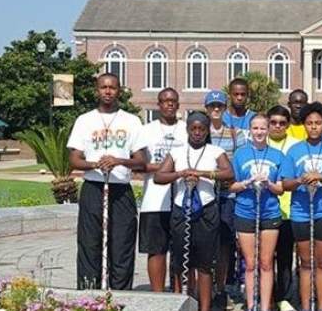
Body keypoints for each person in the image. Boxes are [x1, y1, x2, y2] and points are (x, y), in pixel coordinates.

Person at [67, 73, 147, 290]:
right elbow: (74, 158)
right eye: (104, 87)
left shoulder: (131, 121)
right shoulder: (84, 120)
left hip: (120, 190)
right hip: (93, 187)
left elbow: (141, 159)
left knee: (122, 245)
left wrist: (118, 161)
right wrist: (96, 164)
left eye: (112, 87)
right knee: (89, 244)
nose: (108, 91)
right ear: (97, 90)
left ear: (119, 91)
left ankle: (120, 295)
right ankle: (88, 295)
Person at [154, 111, 233, 311]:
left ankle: (204, 307)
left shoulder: (215, 151)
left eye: (202, 129)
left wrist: (203, 174)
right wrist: (180, 174)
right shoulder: (177, 152)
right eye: (193, 129)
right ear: (187, 129)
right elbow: (159, 176)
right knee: (182, 263)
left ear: (207, 131)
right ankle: (186, 304)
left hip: (207, 211)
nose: (197, 133)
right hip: (182, 211)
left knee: (205, 265)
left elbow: (229, 173)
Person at [280, 102, 322, 311]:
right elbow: (285, 183)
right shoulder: (295, 150)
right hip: (300, 211)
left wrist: (321, 177)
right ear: (304, 125)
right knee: (305, 261)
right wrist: (301, 180)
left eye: (318, 123)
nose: (314, 127)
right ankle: (306, 306)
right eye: (310, 123)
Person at [230, 114, 287, 311]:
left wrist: (268, 184)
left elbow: (281, 188)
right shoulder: (240, 154)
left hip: (269, 212)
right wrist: (247, 183)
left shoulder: (277, 156)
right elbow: (231, 186)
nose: (259, 132)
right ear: (249, 130)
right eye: (255, 128)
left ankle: (265, 306)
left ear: (268, 130)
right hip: (245, 211)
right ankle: (251, 303)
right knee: (251, 263)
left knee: (266, 262)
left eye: (263, 128)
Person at [138, 88, 188, 292]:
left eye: (173, 101)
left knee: (180, 250)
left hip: (182, 199)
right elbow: (139, 164)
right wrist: (166, 169)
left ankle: (178, 294)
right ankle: (158, 296)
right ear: (158, 105)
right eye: (165, 101)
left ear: (178, 105)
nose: (169, 104)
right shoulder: (147, 130)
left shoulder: (187, 129)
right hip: (154, 199)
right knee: (156, 250)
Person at [205, 89, 247, 303]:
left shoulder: (235, 132)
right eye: (212, 106)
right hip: (205, 194)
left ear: (224, 108)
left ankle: (220, 287)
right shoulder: (201, 131)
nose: (215, 110)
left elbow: (239, 163)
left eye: (219, 106)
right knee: (205, 244)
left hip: (227, 195)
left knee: (224, 244)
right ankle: (203, 288)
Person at [266, 105, 302, 311]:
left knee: (286, 256)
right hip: (265, 210)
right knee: (265, 258)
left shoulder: (296, 145)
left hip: (290, 209)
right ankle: (266, 297)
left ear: (288, 125)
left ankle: (285, 296)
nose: (277, 126)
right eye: (274, 122)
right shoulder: (261, 142)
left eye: (282, 123)